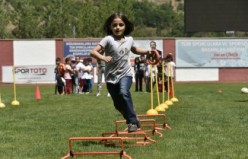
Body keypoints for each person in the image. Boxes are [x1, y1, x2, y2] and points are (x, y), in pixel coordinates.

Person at [90, 12, 154, 132]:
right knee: (118, 105)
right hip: (110, 77)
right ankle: (133, 118)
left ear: (126, 26)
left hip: (126, 74)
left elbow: (135, 50)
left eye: (121, 24)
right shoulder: (108, 39)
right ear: (110, 26)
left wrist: (147, 52)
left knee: (124, 92)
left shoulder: (129, 39)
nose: (117, 27)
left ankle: (132, 122)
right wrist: (103, 57)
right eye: (114, 25)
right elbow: (93, 52)